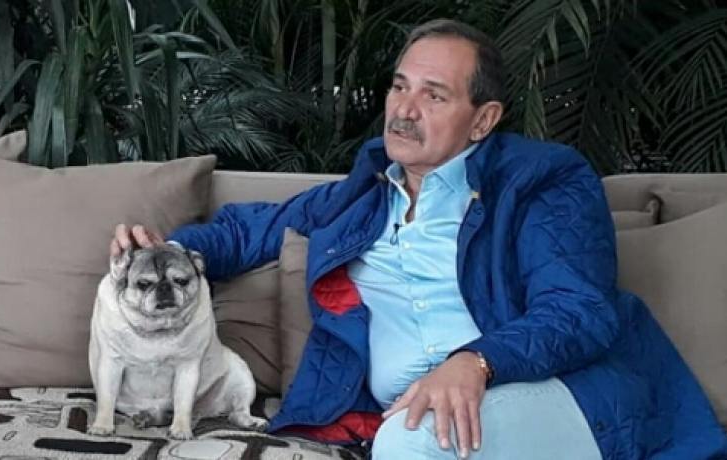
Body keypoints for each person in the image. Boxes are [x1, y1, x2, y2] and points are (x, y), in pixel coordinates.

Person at [110, 19, 727, 460]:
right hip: (416, 415)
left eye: (434, 95)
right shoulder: (363, 193)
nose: (404, 110)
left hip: (552, 391)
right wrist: (164, 249)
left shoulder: (543, 181)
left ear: (483, 120)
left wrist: (475, 362)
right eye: (400, 86)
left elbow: (579, 310)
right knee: (409, 435)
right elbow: (251, 228)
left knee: (409, 442)